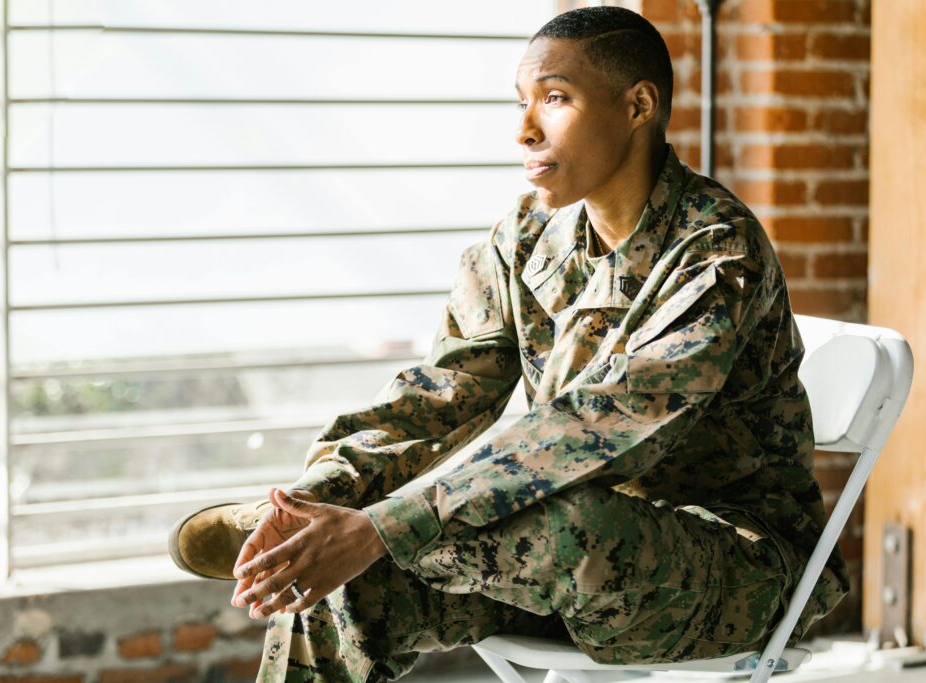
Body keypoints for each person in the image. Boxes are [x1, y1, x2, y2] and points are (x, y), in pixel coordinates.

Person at [169, 7, 850, 682]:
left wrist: (380, 526)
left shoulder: (716, 252)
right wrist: (326, 493)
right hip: (562, 569)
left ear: (638, 105)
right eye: (522, 103)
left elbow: (601, 426)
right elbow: (439, 396)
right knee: (338, 580)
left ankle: (356, 527)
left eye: (554, 99)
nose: (524, 129)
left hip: (728, 571)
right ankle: (306, 520)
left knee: (555, 519)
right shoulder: (523, 239)